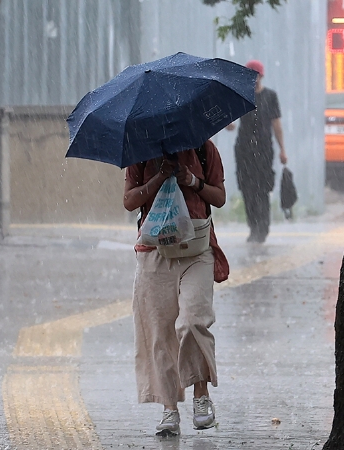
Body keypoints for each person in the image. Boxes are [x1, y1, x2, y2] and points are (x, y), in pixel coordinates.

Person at [123, 140, 230, 436]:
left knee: (194, 320)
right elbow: (130, 200)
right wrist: (159, 177)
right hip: (153, 251)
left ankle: (201, 397)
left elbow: (219, 197)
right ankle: (169, 408)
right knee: (158, 332)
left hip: (196, 248)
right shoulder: (140, 151)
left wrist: (191, 180)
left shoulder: (202, 149)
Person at [226, 59, 287, 243]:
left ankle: (263, 227)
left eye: (256, 75)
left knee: (262, 188)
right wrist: (228, 124)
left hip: (264, 149)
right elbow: (229, 120)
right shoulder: (241, 96)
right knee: (247, 189)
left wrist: (282, 150)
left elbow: (276, 125)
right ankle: (253, 227)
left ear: (261, 76)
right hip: (244, 150)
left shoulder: (270, 96)